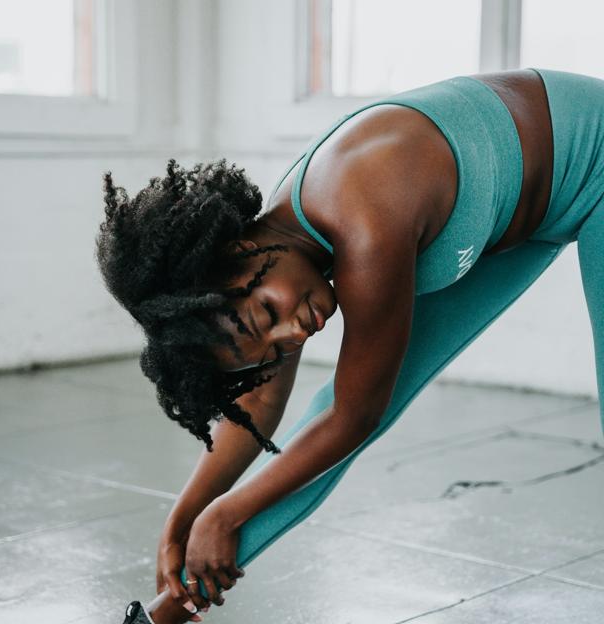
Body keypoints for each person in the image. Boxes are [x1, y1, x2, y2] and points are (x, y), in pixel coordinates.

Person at [96, 67, 604, 624]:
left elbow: (355, 416)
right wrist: (184, 519)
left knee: (342, 421)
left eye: (265, 315)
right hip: (520, 219)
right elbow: (260, 405)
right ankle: (162, 617)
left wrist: (225, 514)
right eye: (268, 347)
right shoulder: (276, 251)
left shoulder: (362, 210)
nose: (291, 335)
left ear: (241, 246)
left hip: (593, 163)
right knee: (312, 444)